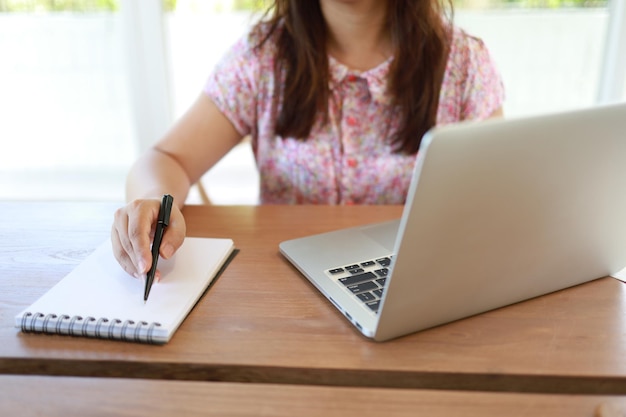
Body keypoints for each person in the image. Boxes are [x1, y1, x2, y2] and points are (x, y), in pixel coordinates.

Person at [112, 0, 505, 279]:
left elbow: (499, 200)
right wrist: (152, 201)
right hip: (284, 287)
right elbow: (166, 158)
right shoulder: (262, 58)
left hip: (420, 281)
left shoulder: (465, 64)